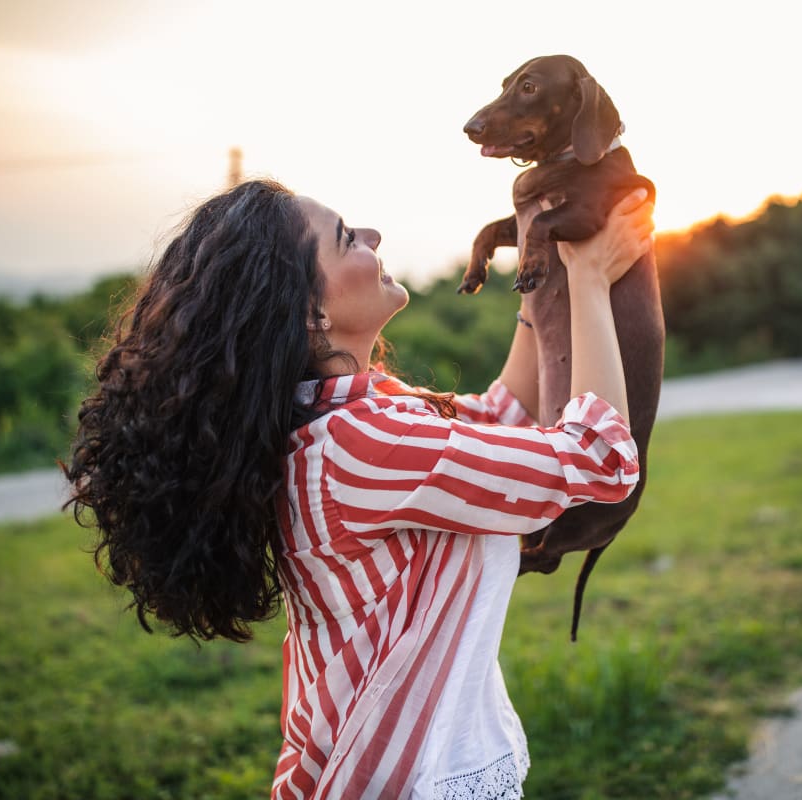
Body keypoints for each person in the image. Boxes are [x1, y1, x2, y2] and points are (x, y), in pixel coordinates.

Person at [64, 178, 654, 799]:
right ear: (310, 312)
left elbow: (501, 415)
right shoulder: (362, 446)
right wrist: (590, 280)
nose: (374, 238)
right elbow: (602, 458)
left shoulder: (339, 421)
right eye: (347, 238)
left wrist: (544, 277)